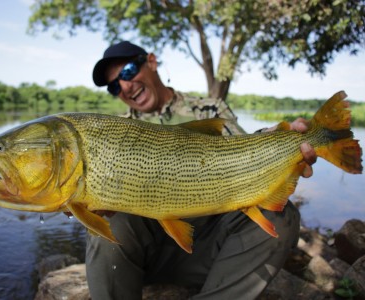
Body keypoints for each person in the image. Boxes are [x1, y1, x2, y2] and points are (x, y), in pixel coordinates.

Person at [86, 41, 317, 299]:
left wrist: (274, 142)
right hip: (148, 259)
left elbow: (239, 152)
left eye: (127, 72)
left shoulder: (209, 110)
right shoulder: (114, 135)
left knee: (282, 216)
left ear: (151, 61)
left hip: (211, 250)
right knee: (105, 223)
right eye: (115, 86)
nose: (125, 86)